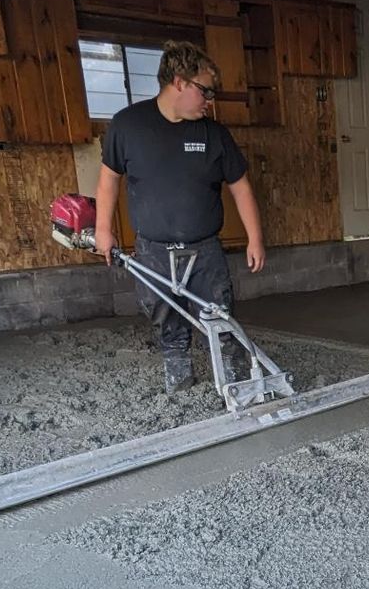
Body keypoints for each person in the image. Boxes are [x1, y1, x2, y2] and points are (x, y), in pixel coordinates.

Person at [94, 41, 268, 396]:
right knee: (162, 310)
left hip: (204, 247)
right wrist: (102, 230)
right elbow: (109, 179)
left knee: (217, 310)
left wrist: (255, 238)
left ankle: (232, 371)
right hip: (153, 247)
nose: (209, 100)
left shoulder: (213, 134)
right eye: (205, 91)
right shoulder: (128, 126)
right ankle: (178, 368)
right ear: (179, 82)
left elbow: (240, 188)